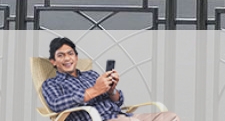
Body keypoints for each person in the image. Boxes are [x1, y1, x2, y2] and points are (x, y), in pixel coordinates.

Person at [40, 37, 182, 121]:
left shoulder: (91, 75)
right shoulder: (51, 84)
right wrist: (95, 90)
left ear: (76, 57)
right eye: (61, 55)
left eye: (70, 54)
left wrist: (111, 90)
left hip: (121, 115)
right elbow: (56, 105)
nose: (67, 58)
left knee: (171, 117)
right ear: (53, 61)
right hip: (98, 119)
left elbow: (118, 102)